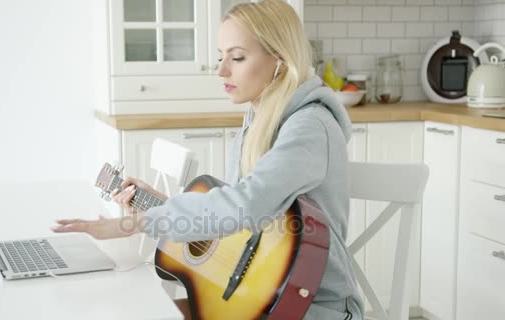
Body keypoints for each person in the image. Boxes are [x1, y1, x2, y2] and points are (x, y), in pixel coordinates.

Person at [51, 0, 363, 318]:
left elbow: (245, 206)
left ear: (280, 59)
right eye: (220, 56)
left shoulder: (310, 125)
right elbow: (236, 225)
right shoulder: (257, 119)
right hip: (260, 297)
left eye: (237, 57)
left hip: (311, 308)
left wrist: (134, 223)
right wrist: (157, 205)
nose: (221, 70)